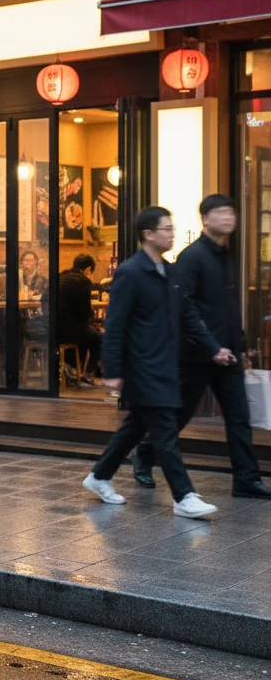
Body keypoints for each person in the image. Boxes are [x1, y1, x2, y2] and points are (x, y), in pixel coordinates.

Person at [82, 207, 235, 518]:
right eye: (166, 229)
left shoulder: (168, 271)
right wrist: (112, 371)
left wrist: (213, 349)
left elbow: (188, 316)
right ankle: (184, 496)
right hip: (144, 368)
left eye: (172, 228)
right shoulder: (131, 272)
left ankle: (99, 477)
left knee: (136, 428)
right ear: (148, 234)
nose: (171, 233)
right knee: (165, 432)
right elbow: (115, 324)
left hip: (165, 363)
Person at [132, 196, 271, 498]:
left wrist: (241, 345)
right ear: (206, 219)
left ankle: (246, 479)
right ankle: (144, 452)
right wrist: (210, 346)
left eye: (231, 212)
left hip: (228, 353)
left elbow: (230, 306)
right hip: (196, 354)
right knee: (179, 415)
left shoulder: (225, 254)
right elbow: (184, 307)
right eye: (221, 213)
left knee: (239, 417)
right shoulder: (192, 257)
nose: (229, 218)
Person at [57, 254, 102, 382]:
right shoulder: (83, 281)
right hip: (68, 329)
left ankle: (71, 367)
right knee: (98, 338)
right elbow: (84, 312)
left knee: (87, 333)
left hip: (52, 327)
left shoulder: (61, 276)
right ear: (88, 269)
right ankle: (88, 374)